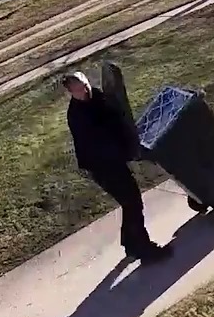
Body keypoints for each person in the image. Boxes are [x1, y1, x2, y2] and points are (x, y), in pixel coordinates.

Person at [63, 71, 172, 262]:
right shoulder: (78, 116)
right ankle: (144, 250)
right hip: (103, 166)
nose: (85, 90)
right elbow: (102, 138)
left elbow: (115, 114)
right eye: (79, 89)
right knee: (133, 202)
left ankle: (130, 244)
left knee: (130, 202)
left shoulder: (95, 96)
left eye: (85, 85)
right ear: (71, 93)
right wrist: (123, 149)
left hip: (114, 160)